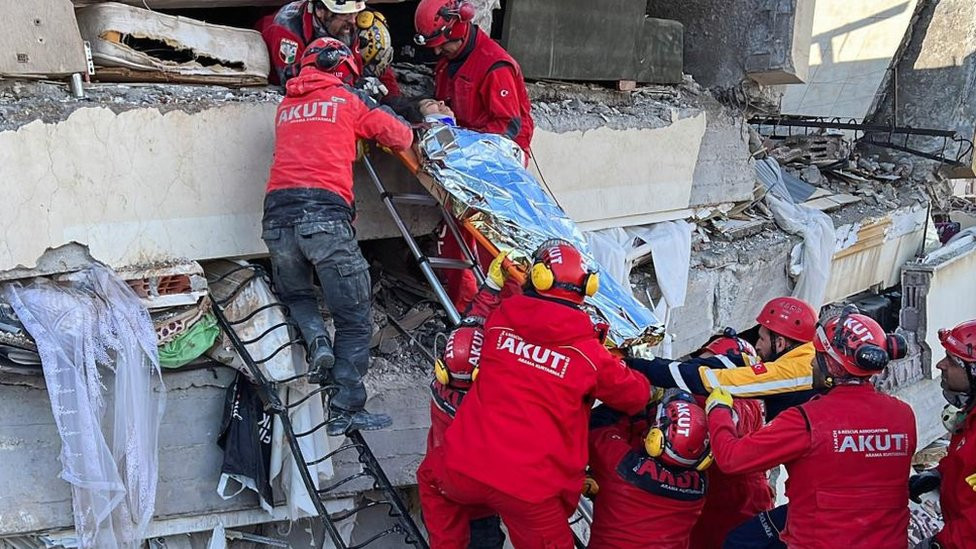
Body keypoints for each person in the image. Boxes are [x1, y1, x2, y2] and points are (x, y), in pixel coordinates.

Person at [418, 239, 652, 548]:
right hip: (531, 492)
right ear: (588, 287)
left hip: (463, 468)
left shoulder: (500, 321)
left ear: (538, 277)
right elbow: (636, 396)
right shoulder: (588, 354)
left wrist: (490, 288)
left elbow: (475, 322)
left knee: (430, 480)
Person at [262, 37, 412, 436]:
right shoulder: (348, 100)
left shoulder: (286, 106)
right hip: (325, 217)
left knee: (297, 294)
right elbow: (401, 137)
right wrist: (371, 105)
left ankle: (316, 341)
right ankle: (346, 407)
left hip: (277, 217)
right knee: (353, 317)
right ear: (343, 70)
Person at [705, 307, 916, 548]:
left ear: (830, 364)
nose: (812, 362)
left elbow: (732, 459)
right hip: (885, 541)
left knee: (739, 542)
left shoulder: (808, 420)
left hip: (818, 539)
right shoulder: (903, 416)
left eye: (817, 354)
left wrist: (719, 409)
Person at [417, 253, 514, 549]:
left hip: (440, 490)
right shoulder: (488, 408)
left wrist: (491, 287)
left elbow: (471, 323)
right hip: (477, 507)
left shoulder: (442, 382)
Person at [627, 297, 820, 421]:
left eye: (761, 339)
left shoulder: (794, 371)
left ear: (780, 343)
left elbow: (715, 381)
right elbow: (744, 365)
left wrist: (637, 365)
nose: (758, 346)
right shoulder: (803, 355)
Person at [587, 392, 711, 549]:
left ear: (655, 437)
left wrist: (638, 399)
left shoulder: (621, 465)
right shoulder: (700, 483)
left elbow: (597, 425)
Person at [413, 0, 534, 155]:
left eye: (442, 44)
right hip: (464, 141)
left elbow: (508, 125)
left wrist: (465, 145)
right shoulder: (449, 60)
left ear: (459, 31)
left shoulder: (495, 67)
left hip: (501, 151)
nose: (437, 52)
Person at [910, 319, 976, 549]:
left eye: (951, 361)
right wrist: (940, 474)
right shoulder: (971, 419)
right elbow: (967, 466)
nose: (940, 365)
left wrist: (940, 545)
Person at [260, 0, 400, 98]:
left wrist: (396, 103)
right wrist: (356, 88)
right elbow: (295, 87)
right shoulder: (287, 29)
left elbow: (379, 65)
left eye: (355, 13)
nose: (352, 20)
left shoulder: (353, 20)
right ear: (320, 10)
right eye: (345, 15)